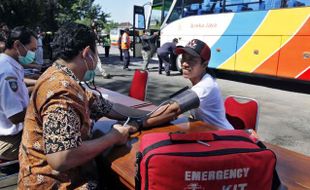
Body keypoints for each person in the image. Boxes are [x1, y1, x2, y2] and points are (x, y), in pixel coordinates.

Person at [18, 23, 182, 189]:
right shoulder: (61, 89)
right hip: (53, 183)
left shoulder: (62, 77)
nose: (97, 59)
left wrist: (148, 115)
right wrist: (113, 136)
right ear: (87, 53)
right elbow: (62, 157)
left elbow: (108, 107)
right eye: (96, 53)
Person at [175, 39, 234, 130]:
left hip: (223, 137)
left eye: (191, 60)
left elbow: (172, 110)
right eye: (183, 58)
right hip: (207, 132)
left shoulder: (205, 86)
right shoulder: (199, 82)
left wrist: (145, 122)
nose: (185, 64)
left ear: (204, 65)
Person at [0, 26, 37, 161]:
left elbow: (17, 95)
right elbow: (15, 116)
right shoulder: (7, 72)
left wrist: (39, 87)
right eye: (32, 49)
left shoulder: (6, 64)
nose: (33, 54)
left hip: (10, 135)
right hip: (9, 141)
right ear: (17, 45)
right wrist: (43, 108)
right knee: (58, 146)